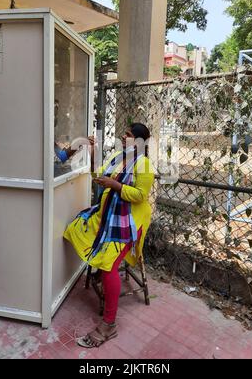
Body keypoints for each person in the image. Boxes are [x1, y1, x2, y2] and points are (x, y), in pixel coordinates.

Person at [64, 123, 155, 348]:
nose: (124, 138)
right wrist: (94, 153)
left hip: (127, 222)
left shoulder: (144, 164)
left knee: (107, 265)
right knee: (75, 228)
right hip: (107, 215)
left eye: (129, 135)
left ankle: (109, 325)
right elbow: (99, 175)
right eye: (124, 134)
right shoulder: (118, 156)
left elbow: (140, 196)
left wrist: (113, 185)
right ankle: (99, 272)